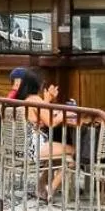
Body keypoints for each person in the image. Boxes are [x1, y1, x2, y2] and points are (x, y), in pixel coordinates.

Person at [12, 71, 75, 201]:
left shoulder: (26, 100)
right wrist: (65, 113)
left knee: (59, 156)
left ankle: (41, 187)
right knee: (73, 153)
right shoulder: (35, 100)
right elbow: (51, 123)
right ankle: (50, 189)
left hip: (25, 146)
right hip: (36, 147)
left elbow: (42, 117)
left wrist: (47, 100)